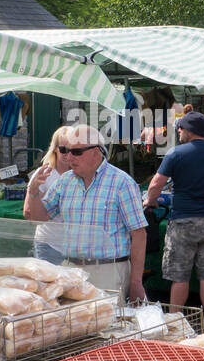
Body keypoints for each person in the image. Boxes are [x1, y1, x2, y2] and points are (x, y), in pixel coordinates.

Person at [24, 124, 147, 303]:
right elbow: (39, 218)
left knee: (109, 327)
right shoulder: (65, 181)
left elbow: (139, 234)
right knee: (75, 327)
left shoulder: (122, 183)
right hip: (72, 270)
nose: (68, 157)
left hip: (108, 270)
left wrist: (136, 282)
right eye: (65, 150)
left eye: (76, 152)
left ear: (96, 152)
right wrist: (34, 191)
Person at [143, 112, 204, 329]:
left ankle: (175, 322)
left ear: (190, 130)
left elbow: (156, 184)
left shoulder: (175, 153)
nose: (179, 131)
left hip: (183, 221)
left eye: (181, 128)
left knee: (180, 276)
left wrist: (150, 201)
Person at [24, 126, 72, 264]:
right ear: (55, 148)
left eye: (72, 150)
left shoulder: (79, 173)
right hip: (50, 245)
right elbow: (28, 212)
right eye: (63, 149)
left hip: (74, 247)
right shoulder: (44, 173)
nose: (68, 154)